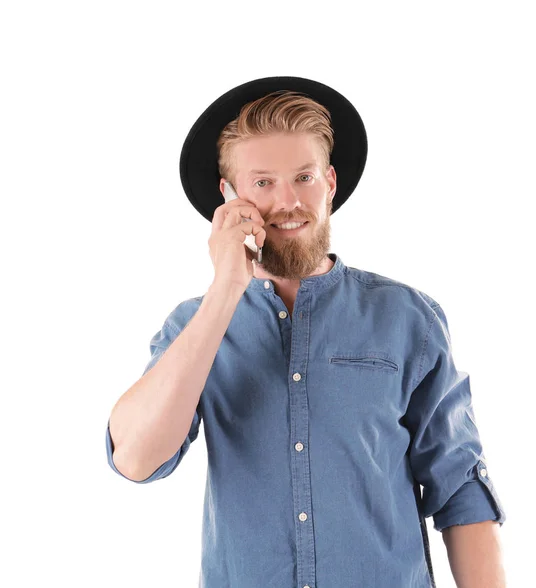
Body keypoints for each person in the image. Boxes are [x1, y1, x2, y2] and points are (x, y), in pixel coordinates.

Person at [105, 76, 507, 588]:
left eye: (304, 177)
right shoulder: (192, 326)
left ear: (331, 183)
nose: (289, 201)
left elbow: (460, 489)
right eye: (263, 182)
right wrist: (227, 287)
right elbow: (136, 459)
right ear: (229, 196)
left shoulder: (407, 318)